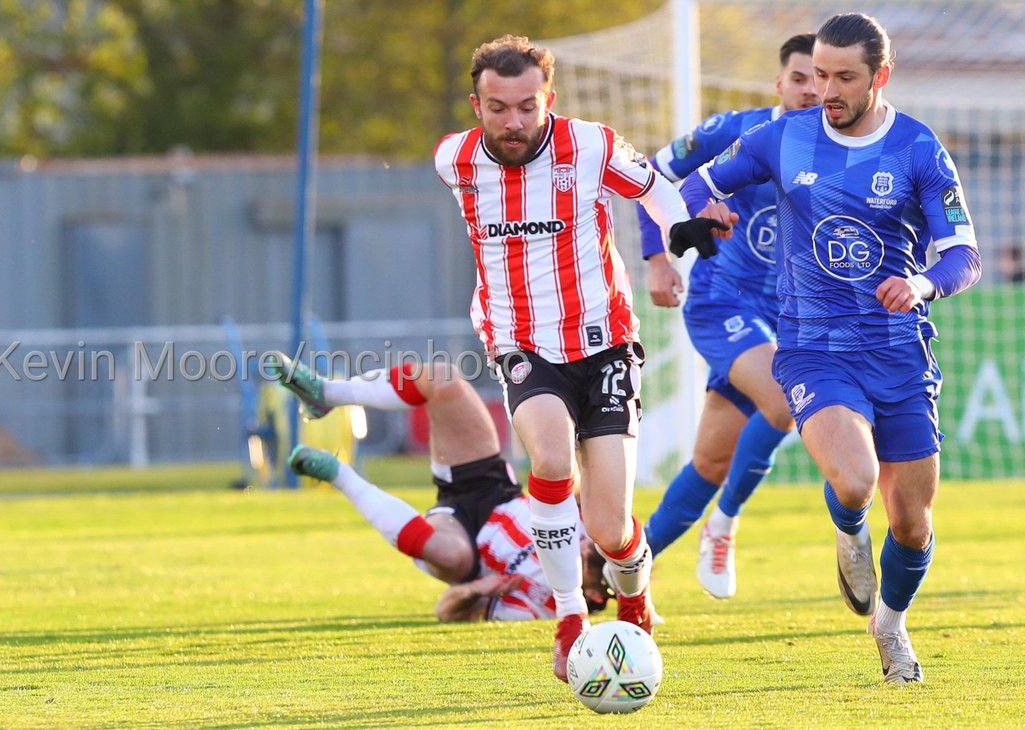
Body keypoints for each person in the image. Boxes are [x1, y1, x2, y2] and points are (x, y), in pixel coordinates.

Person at [682, 13, 982, 683]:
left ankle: (892, 625)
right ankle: (849, 531)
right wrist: (704, 209)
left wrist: (922, 282)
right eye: (818, 75)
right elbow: (699, 184)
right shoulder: (782, 136)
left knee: (912, 523)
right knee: (855, 479)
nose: (827, 91)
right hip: (813, 347)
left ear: (882, 74)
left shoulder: (918, 148)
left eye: (844, 77)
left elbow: (964, 255)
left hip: (899, 351)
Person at [432, 35, 724, 682]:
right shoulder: (453, 160)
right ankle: (569, 621)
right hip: (520, 339)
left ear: (548, 102)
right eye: (498, 107)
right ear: (475, 105)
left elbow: (654, 187)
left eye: (527, 108)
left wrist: (679, 232)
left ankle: (635, 590)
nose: (513, 122)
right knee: (551, 456)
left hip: (604, 342)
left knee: (611, 524)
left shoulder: (588, 145)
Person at [638, 33, 819, 600]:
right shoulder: (734, 132)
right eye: (799, 78)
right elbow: (652, 172)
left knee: (711, 461)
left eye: (824, 79)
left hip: (783, 317)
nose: (812, 90)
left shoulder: (841, 150)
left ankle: (617, 571)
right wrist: (657, 259)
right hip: (723, 302)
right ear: (779, 82)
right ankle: (725, 524)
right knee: (788, 400)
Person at [268, 352, 614, 623]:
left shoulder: (544, 607)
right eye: (591, 549)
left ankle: (338, 474)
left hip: (466, 545)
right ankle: (326, 393)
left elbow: (445, 611)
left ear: (595, 595)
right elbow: (586, 479)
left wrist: (478, 589)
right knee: (442, 378)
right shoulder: (596, 532)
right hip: (494, 489)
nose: (584, 549)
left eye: (590, 561)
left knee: (450, 555)